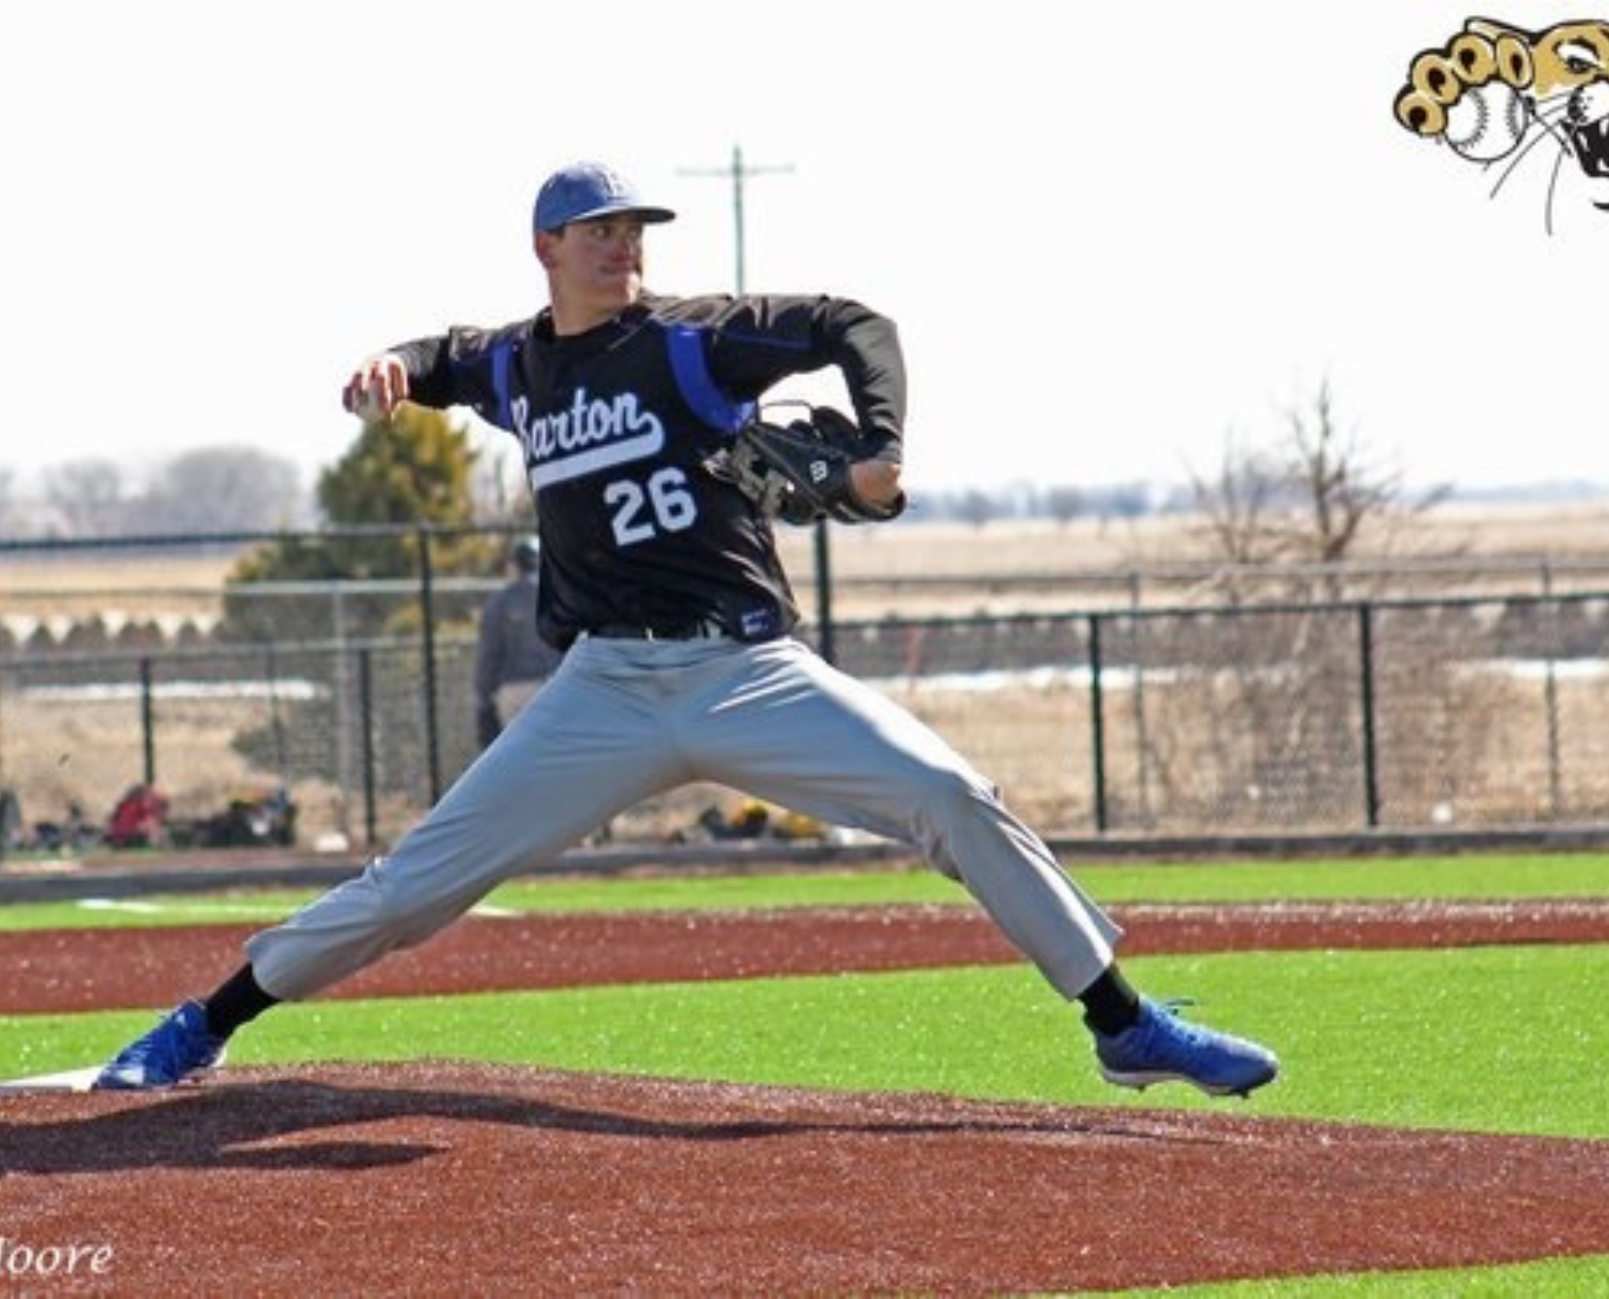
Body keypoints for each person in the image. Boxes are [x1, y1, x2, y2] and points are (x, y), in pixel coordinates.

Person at [93, 160, 1278, 1097]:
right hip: (602, 690)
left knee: (955, 798)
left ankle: (1123, 1025)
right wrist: (386, 366)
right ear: (548, 248)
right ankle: (204, 1023)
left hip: (748, 670)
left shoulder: (691, 340)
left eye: (636, 229)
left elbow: (859, 322)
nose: (625, 246)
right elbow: (441, 359)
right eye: (600, 229)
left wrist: (880, 451)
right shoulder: (520, 365)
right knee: (413, 892)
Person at [473, 535, 563, 748]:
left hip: (513, 691)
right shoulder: (559, 594)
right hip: (556, 686)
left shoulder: (500, 600)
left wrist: (483, 695)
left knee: (518, 755)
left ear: (514, 565)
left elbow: (490, 653)